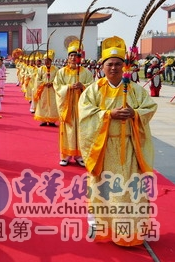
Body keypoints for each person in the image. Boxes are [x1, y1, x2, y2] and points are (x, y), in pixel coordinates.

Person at [78, 36, 157, 246]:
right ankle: (101, 227)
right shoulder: (93, 90)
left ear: (124, 66)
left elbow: (149, 107)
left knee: (129, 190)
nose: (113, 68)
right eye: (109, 64)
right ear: (102, 66)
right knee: (103, 189)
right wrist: (107, 115)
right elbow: (85, 114)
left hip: (129, 148)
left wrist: (135, 113)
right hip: (103, 147)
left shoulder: (135, 89)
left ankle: (129, 231)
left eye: (117, 64)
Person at [54, 41, 94, 167]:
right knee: (67, 130)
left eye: (75, 55)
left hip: (81, 106)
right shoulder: (61, 72)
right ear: (68, 57)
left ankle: (79, 155)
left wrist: (83, 86)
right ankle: (65, 155)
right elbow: (57, 87)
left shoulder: (86, 73)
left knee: (81, 130)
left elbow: (93, 88)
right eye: (71, 55)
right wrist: (69, 87)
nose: (73, 58)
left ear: (80, 57)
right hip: (67, 106)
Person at [33, 50, 59, 127]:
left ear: (51, 61)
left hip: (52, 90)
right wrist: (44, 83)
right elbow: (37, 79)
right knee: (43, 104)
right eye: (45, 60)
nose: (47, 62)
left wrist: (52, 83)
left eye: (48, 60)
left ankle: (52, 121)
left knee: (52, 105)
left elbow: (58, 79)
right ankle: (43, 120)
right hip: (43, 89)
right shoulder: (41, 69)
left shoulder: (56, 69)